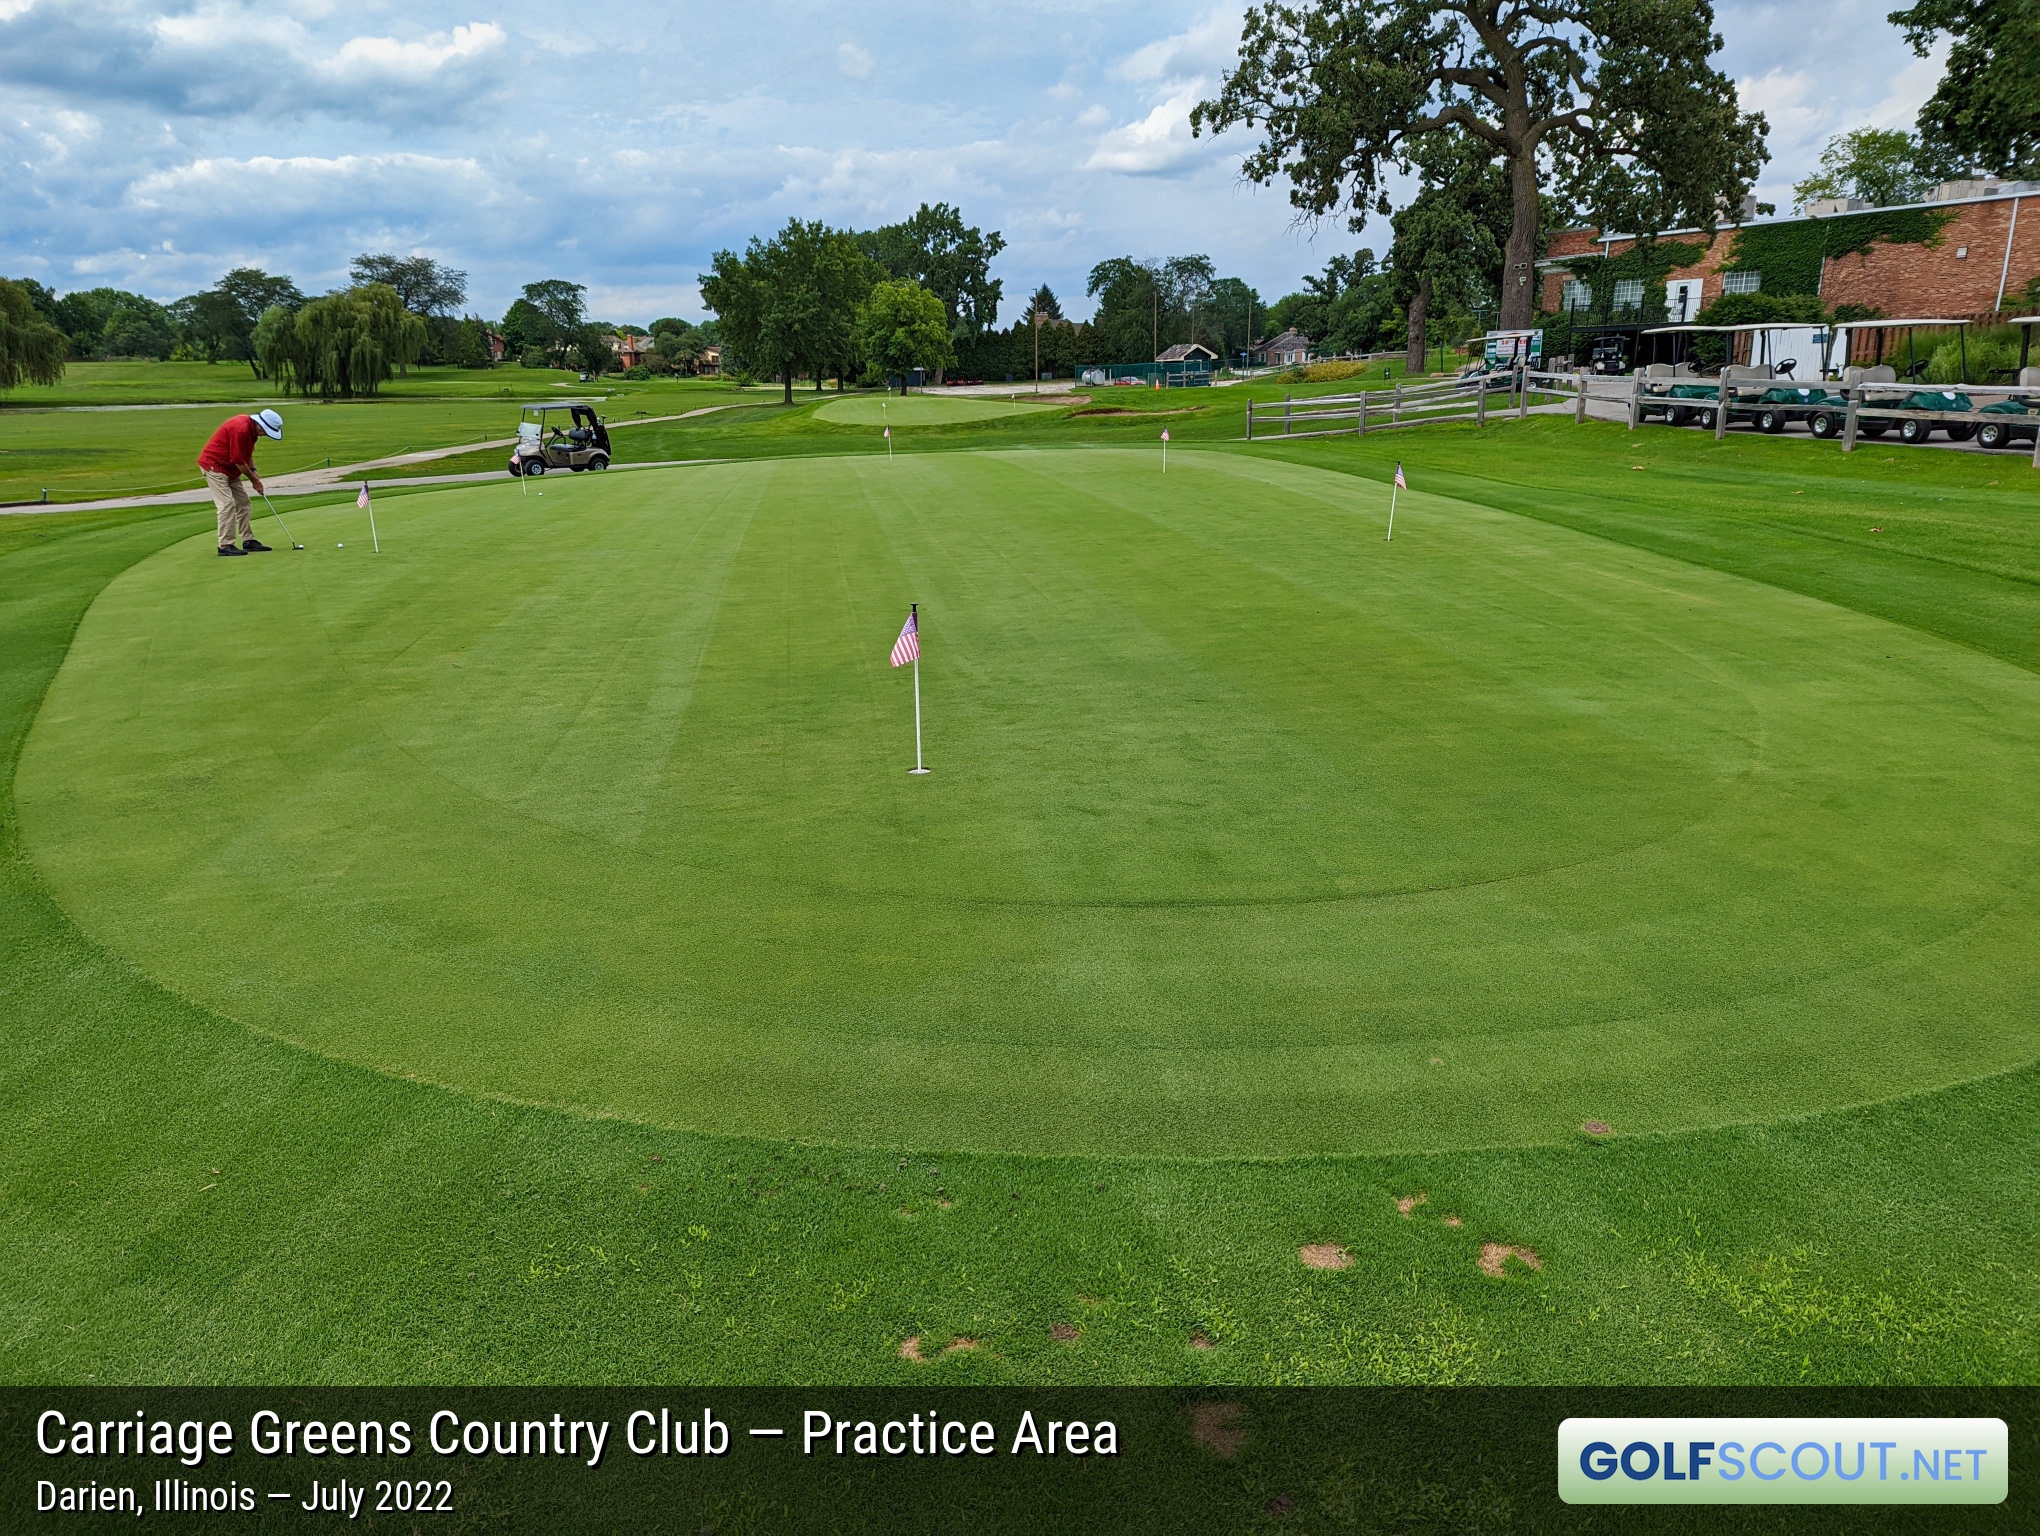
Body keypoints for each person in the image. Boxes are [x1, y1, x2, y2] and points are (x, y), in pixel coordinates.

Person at [198, 408, 283, 556]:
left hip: (230, 469)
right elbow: (238, 461)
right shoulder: (242, 430)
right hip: (214, 467)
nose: (264, 435)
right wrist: (254, 481)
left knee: (243, 502)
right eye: (265, 431)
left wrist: (254, 470)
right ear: (260, 424)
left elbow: (246, 455)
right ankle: (225, 545)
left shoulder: (252, 431)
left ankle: (248, 540)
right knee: (226, 504)